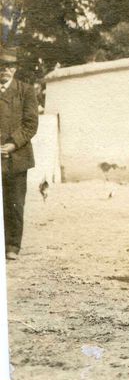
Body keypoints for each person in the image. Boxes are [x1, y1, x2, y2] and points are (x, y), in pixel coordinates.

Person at [0, 47, 38, 260]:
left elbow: (30, 124)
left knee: (14, 203)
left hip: (17, 157)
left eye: (8, 66)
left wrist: (13, 144)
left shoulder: (26, 90)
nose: (4, 71)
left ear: (14, 69)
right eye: (0, 67)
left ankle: (12, 245)